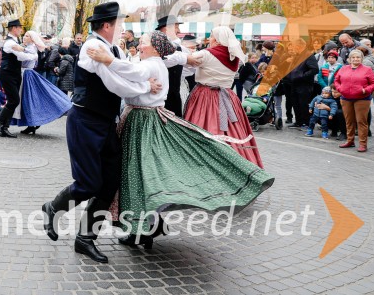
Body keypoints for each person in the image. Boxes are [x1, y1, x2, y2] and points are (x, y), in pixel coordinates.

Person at [85, 31, 274, 248]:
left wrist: (110, 61)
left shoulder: (156, 63)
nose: (139, 45)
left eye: (144, 42)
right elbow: (160, 64)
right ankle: (146, 225)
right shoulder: (228, 58)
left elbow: (135, 69)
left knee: (138, 174)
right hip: (172, 112)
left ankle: (143, 227)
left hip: (147, 119)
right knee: (149, 172)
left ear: (155, 47)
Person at [41, 2, 162, 263]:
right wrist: (145, 87)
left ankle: (85, 239)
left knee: (110, 181)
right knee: (89, 184)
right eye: (119, 23)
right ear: (107, 25)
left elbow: (127, 73)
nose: (122, 28)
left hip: (105, 122)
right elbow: (115, 83)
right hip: (84, 122)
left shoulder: (113, 48)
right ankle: (52, 208)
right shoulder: (91, 47)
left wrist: (143, 82)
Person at [183, 26, 264, 168]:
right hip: (228, 97)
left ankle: (203, 162)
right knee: (231, 130)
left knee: (204, 127)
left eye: (212, 36)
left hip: (205, 96)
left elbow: (185, 61)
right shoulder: (236, 57)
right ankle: (233, 162)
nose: (209, 39)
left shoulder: (206, 54)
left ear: (219, 39)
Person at [11, 31, 71, 134]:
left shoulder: (31, 48)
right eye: (24, 35)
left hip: (27, 74)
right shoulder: (28, 47)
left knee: (29, 100)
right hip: (25, 74)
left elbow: (27, 57)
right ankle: (31, 123)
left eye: (27, 36)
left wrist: (20, 50)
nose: (24, 37)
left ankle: (32, 123)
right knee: (27, 100)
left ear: (32, 39)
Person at [0, 19, 39, 138]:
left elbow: (21, 54)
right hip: (7, 74)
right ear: (14, 28)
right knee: (14, 100)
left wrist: (26, 51)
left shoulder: (15, 41)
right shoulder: (9, 42)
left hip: (15, 74)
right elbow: (21, 56)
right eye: (19, 28)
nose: (21, 30)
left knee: (13, 101)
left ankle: (5, 128)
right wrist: (31, 54)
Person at [334, 49, 374, 152]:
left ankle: (363, 144)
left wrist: (365, 90)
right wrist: (340, 89)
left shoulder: (367, 69)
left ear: (361, 58)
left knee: (361, 122)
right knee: (349, 121)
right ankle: (350, 140)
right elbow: (336, 80)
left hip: (362, 99)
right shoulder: (344, 68)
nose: (355, 59)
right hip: (345, 98)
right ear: (349, 59)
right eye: (353, 57)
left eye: (358, 57)